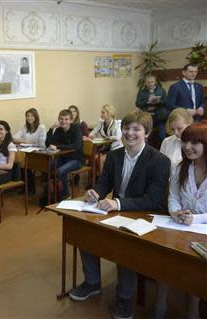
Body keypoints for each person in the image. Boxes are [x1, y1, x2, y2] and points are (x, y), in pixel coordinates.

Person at [69, 109, 171, 319]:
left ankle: (124, 298)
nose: (130, 133)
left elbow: (152, 199)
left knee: (124, 245)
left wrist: (116, 202)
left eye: (136, 129)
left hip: (144, 215)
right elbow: (104, 182)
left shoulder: (159, 160)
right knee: (84, 231)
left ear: (147, 133)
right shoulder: (114, 155)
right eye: (126, 128)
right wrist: (95, 192)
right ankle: (92, 282)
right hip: (116, 209)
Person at [151, 121, 207, 319]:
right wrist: (175, 212)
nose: (188, 147)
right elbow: (173, 196)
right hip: (180, 225)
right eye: (185, 142)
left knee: (195, 269)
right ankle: (159, 306)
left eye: (195, 143)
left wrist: (196, 219)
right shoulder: (181, 168)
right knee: (165, 259)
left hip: (202, 230)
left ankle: (192, 312)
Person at [43, 109, 83, 203]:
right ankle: (53, 192)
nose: (63, 121)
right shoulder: (58, 130)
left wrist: (57, 146)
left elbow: (76, 146)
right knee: (48, 166)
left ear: (71, 120)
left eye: (66, 119)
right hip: (63, 158)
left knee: (60, 171)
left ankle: (66, 194)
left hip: (76, 160)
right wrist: (50, 129)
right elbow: (48, 144)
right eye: (61, 119)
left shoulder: (76, 129)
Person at [13, 107, 46, 194]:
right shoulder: (25, 127)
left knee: (25, 164)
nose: (29, 118)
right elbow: (14, 138)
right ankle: (27, 187)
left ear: (36, 117)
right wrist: (27, 141)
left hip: (38, 153)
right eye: (27, 116)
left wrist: (31, 144)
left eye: (32, 116)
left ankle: (30, 188)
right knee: (21, 163)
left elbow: (42, 145)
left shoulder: (41, 127)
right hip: (27, 152)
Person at [89, 104, 123, 172]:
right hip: (106, 148)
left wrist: (109, 138)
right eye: (101, 112)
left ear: (109, 113)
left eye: (103, 112)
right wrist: (92, 135)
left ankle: (103, 180)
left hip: (116, 149)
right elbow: (93, 132)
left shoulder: (117, 123)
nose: (101, 114)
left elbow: (119, 137)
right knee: (95, 157)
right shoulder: (101, 123)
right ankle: (97, 177)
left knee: (101, 160)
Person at [135, 74, 169, 142]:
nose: (150, 84)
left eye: (152, 82)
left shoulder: (161, 90)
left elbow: (167, 102)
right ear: (145, 83)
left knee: (162, 134)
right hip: (147, 116)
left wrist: (159, 101)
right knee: (147, 135)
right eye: (148, 82)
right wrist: (147, 101)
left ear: (155, 82)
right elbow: (137, 103)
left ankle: (164, 148)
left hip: (159, 116)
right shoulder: (142, 92)